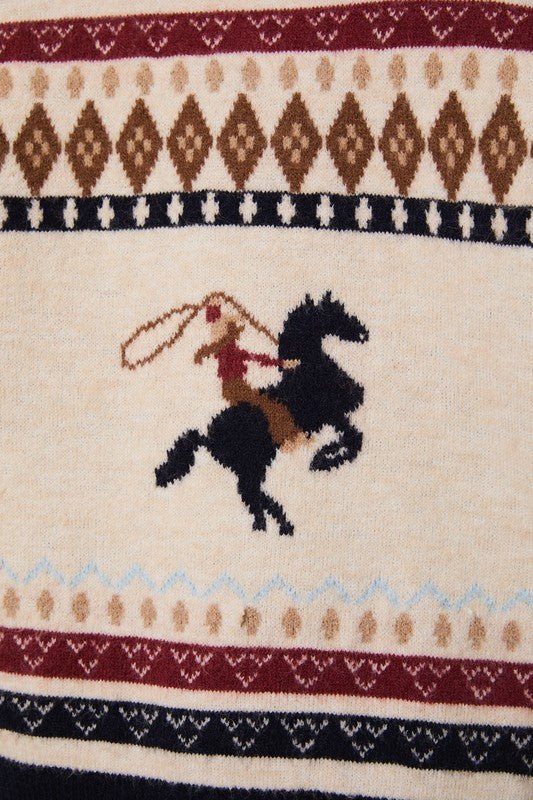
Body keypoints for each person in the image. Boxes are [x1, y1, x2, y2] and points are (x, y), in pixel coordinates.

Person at [194, 303, 307, 452]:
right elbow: (217, 324)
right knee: (267, 408)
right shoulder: (226, 350)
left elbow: (258, 358)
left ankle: (291, 436)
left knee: (269, 405)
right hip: (234, 388)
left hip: (237, 387)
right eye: (235, 332)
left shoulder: (230, 350)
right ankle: (285, 440)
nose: (237, 336)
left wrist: (281, 363)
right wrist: (217, 308)